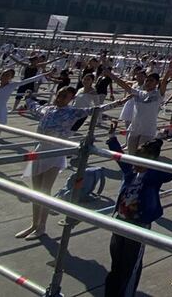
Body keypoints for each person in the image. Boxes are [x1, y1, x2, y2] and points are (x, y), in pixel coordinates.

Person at [18, 87, 124, 239]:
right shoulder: (48, 109)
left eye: (64, 96)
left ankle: (42, 226)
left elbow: (96, 109)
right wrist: (28, 96)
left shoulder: (72, 112)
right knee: (36, 190)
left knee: (45, 190)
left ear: (71, 98)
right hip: (40, 149)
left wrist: (121, 101)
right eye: (59, 95)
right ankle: (34, 224)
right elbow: (34, 106)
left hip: (55, 152)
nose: (59, 98)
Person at [106, 136, 172, 296]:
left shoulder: (154, 175)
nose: (138, 162)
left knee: (130, 264)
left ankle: (126, 293)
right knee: (116, 262)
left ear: (153, 160)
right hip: (121, 221)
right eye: (137, 157)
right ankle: (111, 292)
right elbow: (120, 158)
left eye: (144, 158)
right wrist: (112, 139)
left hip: (138, 225)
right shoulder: (131, 170)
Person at [0, 66, 52, 160]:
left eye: (8, 75)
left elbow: (29, 80)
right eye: (4, 74)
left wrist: (44, 74)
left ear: (11, 77)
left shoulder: (11, 85)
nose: (4, 76)